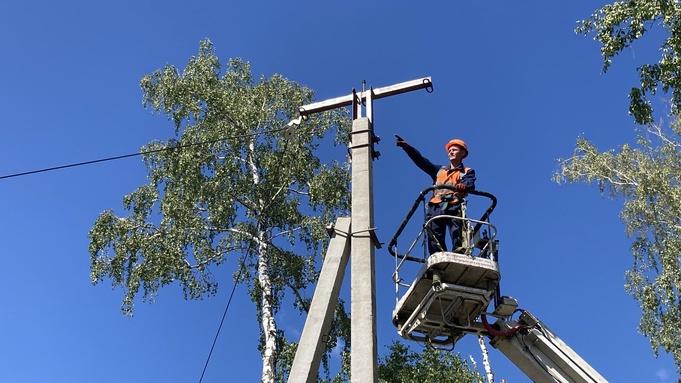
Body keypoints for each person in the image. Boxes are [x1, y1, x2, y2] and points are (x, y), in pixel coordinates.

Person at [395, 135, 476, 255]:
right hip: (436, 206)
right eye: (449, 150)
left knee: (457, 233)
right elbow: (421, 161)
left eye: (454, 150)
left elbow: (469, 183)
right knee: (434, 234)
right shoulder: (439, 170)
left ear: (463, 153)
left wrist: (464, 186)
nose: (450, 151)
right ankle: (439, 257)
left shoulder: (466, 171)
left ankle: (459, 254)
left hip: (454, 206)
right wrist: (407, 147)